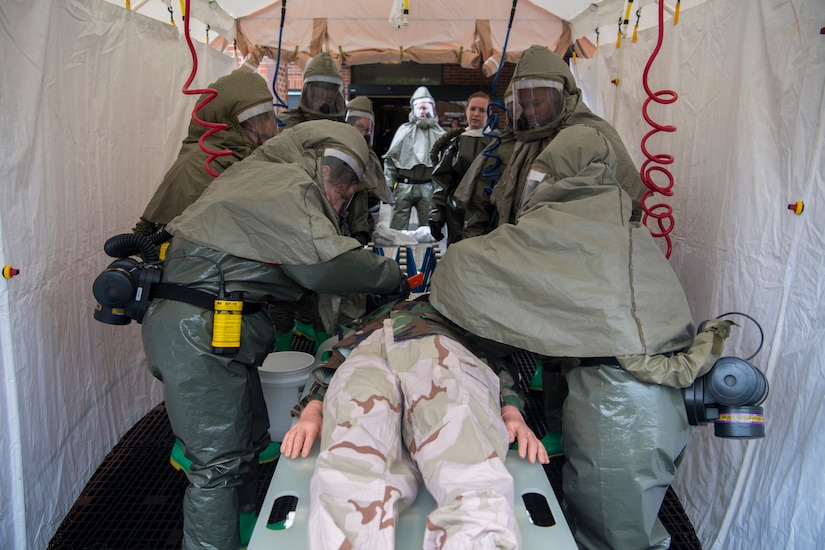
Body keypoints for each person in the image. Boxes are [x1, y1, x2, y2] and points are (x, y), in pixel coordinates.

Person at [429, 125, 731, 550]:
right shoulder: (617, 227)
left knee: (616, 538)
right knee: (618, 525)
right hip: (649, 401)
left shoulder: (563, 224)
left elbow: (463, 266)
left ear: (558, 175)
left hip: (622, 409)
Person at [141, 120, 408, 550]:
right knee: (215, 466)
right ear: (325, 167)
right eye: (345, 186)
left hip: (215, 329)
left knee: (248, 433)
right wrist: (389, 275)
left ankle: (245, 526)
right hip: (196, 332)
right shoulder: (292, 189)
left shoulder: (269, 177)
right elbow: (322, 265)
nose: (344, 198)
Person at [282, 297, 548, 549]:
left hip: (437, 344)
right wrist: (313, 407)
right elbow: (336, 362)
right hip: (367, 352)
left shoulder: (456, 307)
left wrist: (511, 410)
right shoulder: (369, 317)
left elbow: (497, 356)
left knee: (459, 427)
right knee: (352, 442)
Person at [133, 70, 277, 236]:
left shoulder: (247, 157)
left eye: (268, 116)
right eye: (258, 119)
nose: (268, 126)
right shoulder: (200, 163)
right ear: (230, 125)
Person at [428, 91, 492, 245]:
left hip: (488, 213)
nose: (476, 114)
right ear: (466, 110)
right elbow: (442, 180)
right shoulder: (455, 143)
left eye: (482, 110)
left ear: (490, 113)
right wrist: (436, 215)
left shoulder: (498, 144)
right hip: (456, 213)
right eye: (472, 109)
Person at [383, 86, 446, 230]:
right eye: (420, 108)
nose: (423, 111)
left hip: (428, 187)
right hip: (404, 186)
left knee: (429, 229)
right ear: (413, 109)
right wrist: (388, 187)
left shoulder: (441, 134)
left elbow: (445, 167)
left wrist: (442, 192)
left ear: (432, 108)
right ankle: (397, 253)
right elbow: (391, 160)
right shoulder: (404, 130)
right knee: (398, 230)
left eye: (426, 108)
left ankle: (428, 253)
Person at [278, 52, 346, 129]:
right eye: (316, 97)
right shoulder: (285, 124)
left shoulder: (343, 129)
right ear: (306, 96)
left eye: (329, 99)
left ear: (336, 99)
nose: (322, 104)